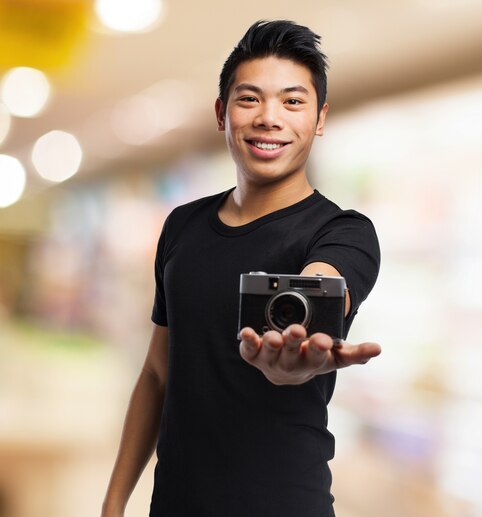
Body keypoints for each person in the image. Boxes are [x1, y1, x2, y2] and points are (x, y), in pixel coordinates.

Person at [102, 19, 381, 517]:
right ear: (221, 113)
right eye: (249, 98)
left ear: (319, 118)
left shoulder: (344, 232)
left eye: (293, 101)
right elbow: (156, 374)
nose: (269, 117)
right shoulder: (182, 227)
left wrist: (291, 362)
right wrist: (113, 502)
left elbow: (323, 287)